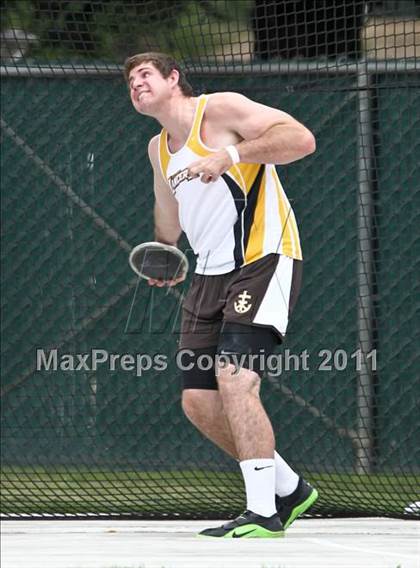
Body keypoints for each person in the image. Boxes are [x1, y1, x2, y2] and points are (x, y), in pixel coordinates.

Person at [124, 52, 318, 538]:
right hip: (208, 276)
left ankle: (263, 512)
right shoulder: (158, 148)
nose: (136, 84)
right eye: (129, 81)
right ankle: (290, 488)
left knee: (235, 379)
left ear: (173, 78)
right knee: (198, 401)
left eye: (145, 74)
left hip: (263, 256)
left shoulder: (220, 110)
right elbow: (167, 213)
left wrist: (230, 155)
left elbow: (300, 139)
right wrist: (163, 255)